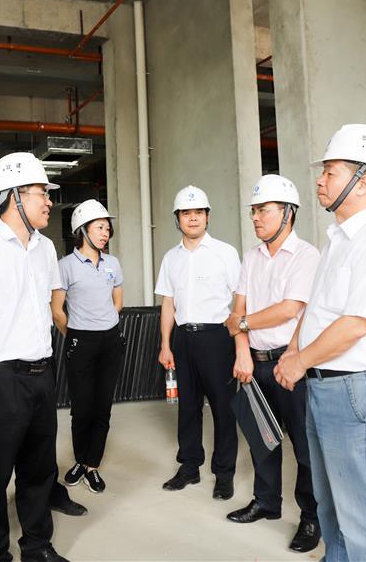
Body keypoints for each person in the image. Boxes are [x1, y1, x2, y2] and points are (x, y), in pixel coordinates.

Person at [274, 124, 366, 561]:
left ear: (363, 181)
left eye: (330, 172)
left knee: (365, 514)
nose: (320, 180)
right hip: (328, 385)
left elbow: (355, 324)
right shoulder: (338, 241)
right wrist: (293, 350)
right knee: (332, 506)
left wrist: (299, 362)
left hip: (358, 388)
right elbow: (318, 308)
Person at [0, 152, 69, 562]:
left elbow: (52, 303)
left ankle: (37, 547)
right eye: (41, 193)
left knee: (39, 469)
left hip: (42, 373)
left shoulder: (45, 248)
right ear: (15, 196)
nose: (49, 201)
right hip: (1, 378)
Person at [223, 175, 321, 553]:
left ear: (288, 213)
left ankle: (311, 517)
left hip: (291, 364)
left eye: (263, 210)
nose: (255, 217)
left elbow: (289, 309)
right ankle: (266, 502)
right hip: (255, 363)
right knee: (261, 438)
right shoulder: (251, 257)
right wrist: (242, 352)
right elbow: (237, 310)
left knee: (305, 447)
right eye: (253, 211)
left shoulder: (306, 256)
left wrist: (243, 325)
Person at [155, 185, 241, 499]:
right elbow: (168, 303)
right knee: (188, 407)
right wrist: (166, 344)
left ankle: (224, 474)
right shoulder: (171, 258)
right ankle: (189, 467)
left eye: (198, 212)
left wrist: (240, 344)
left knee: (223, 408)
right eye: (186, 213)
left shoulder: (225, 253)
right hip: (183, 339)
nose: (193, 218)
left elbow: (240, 299)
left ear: (207, 216)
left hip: (216, 338)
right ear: (177, 218)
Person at [51, 199, 124, 494]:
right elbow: (57, 310)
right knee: (82, 408)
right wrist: (76, 334)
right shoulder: (65, 266)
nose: (105, 233)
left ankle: (92, 465)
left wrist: (104, 323)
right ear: (82, 230)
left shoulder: (112, 264)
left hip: (110, 341)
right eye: (99, 227)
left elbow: (118, 302)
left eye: (107, 228)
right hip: (80, 341)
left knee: (103, 407)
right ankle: (80, 460)